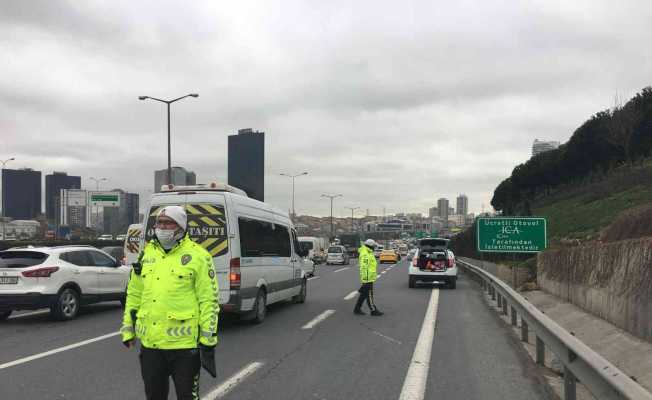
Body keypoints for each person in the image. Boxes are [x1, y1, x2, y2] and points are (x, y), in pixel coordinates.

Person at [121, 205, 219, 400]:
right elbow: (134, 294)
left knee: (187, 397)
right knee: (154, 396)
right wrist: (128, 329)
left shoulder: (199, 257)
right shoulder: (146, 254)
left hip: (184, 348)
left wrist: (208, 342)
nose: (162, 227)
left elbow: (209, 301)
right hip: (151, 347)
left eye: (168, 223)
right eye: (159, 222)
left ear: (181, 227)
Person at [354, 239, 383, 316]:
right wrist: (366, 279)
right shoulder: (365, 254)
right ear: (370, 246)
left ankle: (357, 308)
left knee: (364, 294)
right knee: (369, 294)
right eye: (373, 246)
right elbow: (364, 267)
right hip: (367, 278)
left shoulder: (368, 252)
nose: (374, 248)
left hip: (369, 277)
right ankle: (373, 310)